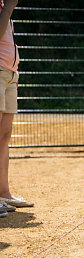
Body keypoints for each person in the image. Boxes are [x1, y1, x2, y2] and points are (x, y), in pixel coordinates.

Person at [0, 0, 34, 213]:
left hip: (10, 74)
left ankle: (4, 193)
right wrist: (9, 8)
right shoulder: (5, 7)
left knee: (4, 135)